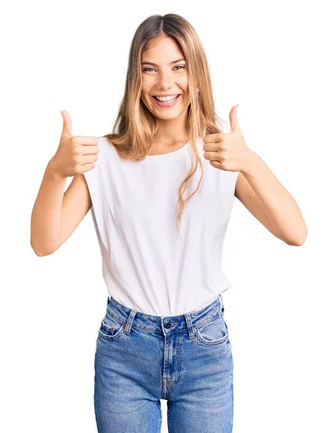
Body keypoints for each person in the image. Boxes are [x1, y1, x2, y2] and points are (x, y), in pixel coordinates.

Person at [30, 13, 307, 433]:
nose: (165, 84)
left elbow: (295, 232)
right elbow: (43, 242)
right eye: (150, 69)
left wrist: (250, 162)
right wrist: (55, 173)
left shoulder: (220, 154)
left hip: (204, 346)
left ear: (196, 75)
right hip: (125, 348)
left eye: (178, 67)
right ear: (134, 78)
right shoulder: (104, 159)